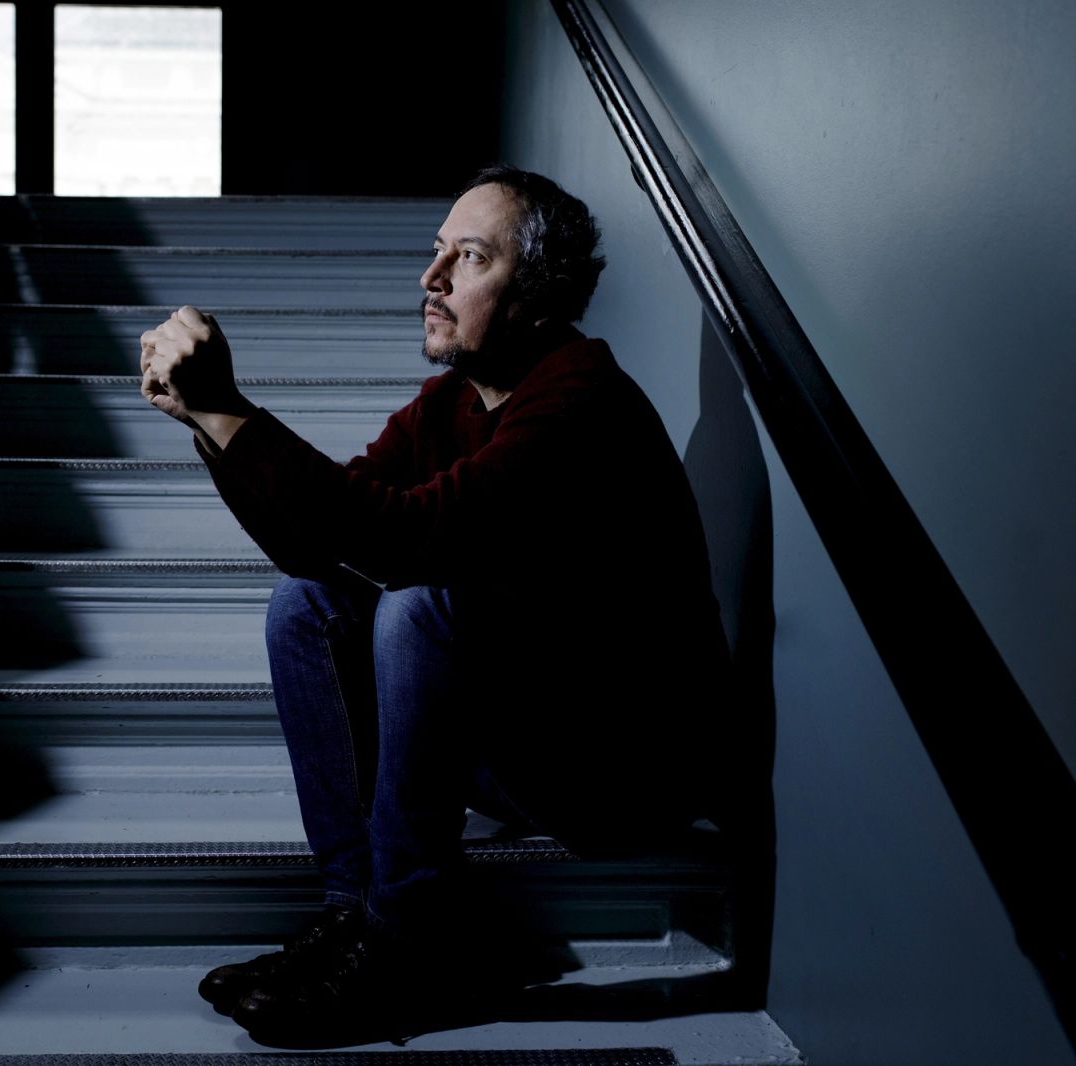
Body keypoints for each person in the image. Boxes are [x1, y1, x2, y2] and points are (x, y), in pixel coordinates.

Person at [140, 164, 730, 1042]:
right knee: (307, 601)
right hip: (524, 739)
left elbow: (405, 540)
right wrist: (206, 423)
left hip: (618, 771)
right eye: (436, 252)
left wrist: (230, 410)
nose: (432, 277)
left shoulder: (581, 400)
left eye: (471, 257)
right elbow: (316, 544)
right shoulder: (447, 405)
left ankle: (410, 943)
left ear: (537, 294)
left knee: (421, 605)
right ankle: (355, 917)